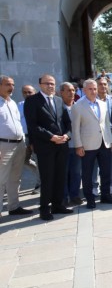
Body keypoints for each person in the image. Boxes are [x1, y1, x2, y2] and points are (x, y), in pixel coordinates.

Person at [23, 74, 73, 220]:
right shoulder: (32, 101)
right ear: (40, 84)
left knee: (60, 176)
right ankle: (44, 209)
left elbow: (67, 122)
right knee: (47, 178)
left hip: (62, 145)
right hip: (45, 146)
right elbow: (33, 125)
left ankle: (58, 205)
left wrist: (66, 135)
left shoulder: (58, 100)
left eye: (52, 83)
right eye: (47, 84)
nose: (50, 86)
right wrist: (51, 137)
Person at [72, 79, 112, 208]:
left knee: (106, 171)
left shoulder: (102, 104)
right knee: (87, 173)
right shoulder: (78, 106)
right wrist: (78, 145)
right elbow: (75, 128)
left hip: (104, 143)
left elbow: (106, 124)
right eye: (90, 89)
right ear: (84, 90)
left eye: (95, 89)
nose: (93, 91)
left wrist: (110, 140)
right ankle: (90, 199)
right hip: (87, 145)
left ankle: (106, 196)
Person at [0, 75, 31, 216]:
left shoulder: (12, 103)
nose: (11, 87)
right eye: (7, 84)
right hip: (3, 146)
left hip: (19, 144)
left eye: (12, 84)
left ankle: (13, 207)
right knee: (1, 179)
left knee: (15, 178)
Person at [59, 82, 82, 206]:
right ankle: (64, 197)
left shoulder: (79, 106)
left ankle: (75, 195)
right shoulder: (58, 107)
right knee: (64, 172)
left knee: (76, 172)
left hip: (77, 145)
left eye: (73, 90)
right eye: (68, 90)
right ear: (61, 92)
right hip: (63, 146)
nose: (71, 93)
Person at [96, 77, 112, 196]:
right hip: (96, 136)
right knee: (96, 162)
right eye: (100, 84)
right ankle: (94, 186)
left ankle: (111, 183)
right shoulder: (91, 100)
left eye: (105, 84)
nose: (103, 86)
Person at [17, 85, 40, 193]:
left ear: (34, 92)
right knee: (24, 160)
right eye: (25, 92)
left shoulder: (39, 105)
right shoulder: (19, 105)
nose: (27, 94)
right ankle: (39, 174)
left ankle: (40, 184)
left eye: (29, 92)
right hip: (23, 138)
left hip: (35, 137)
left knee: (38, 160)